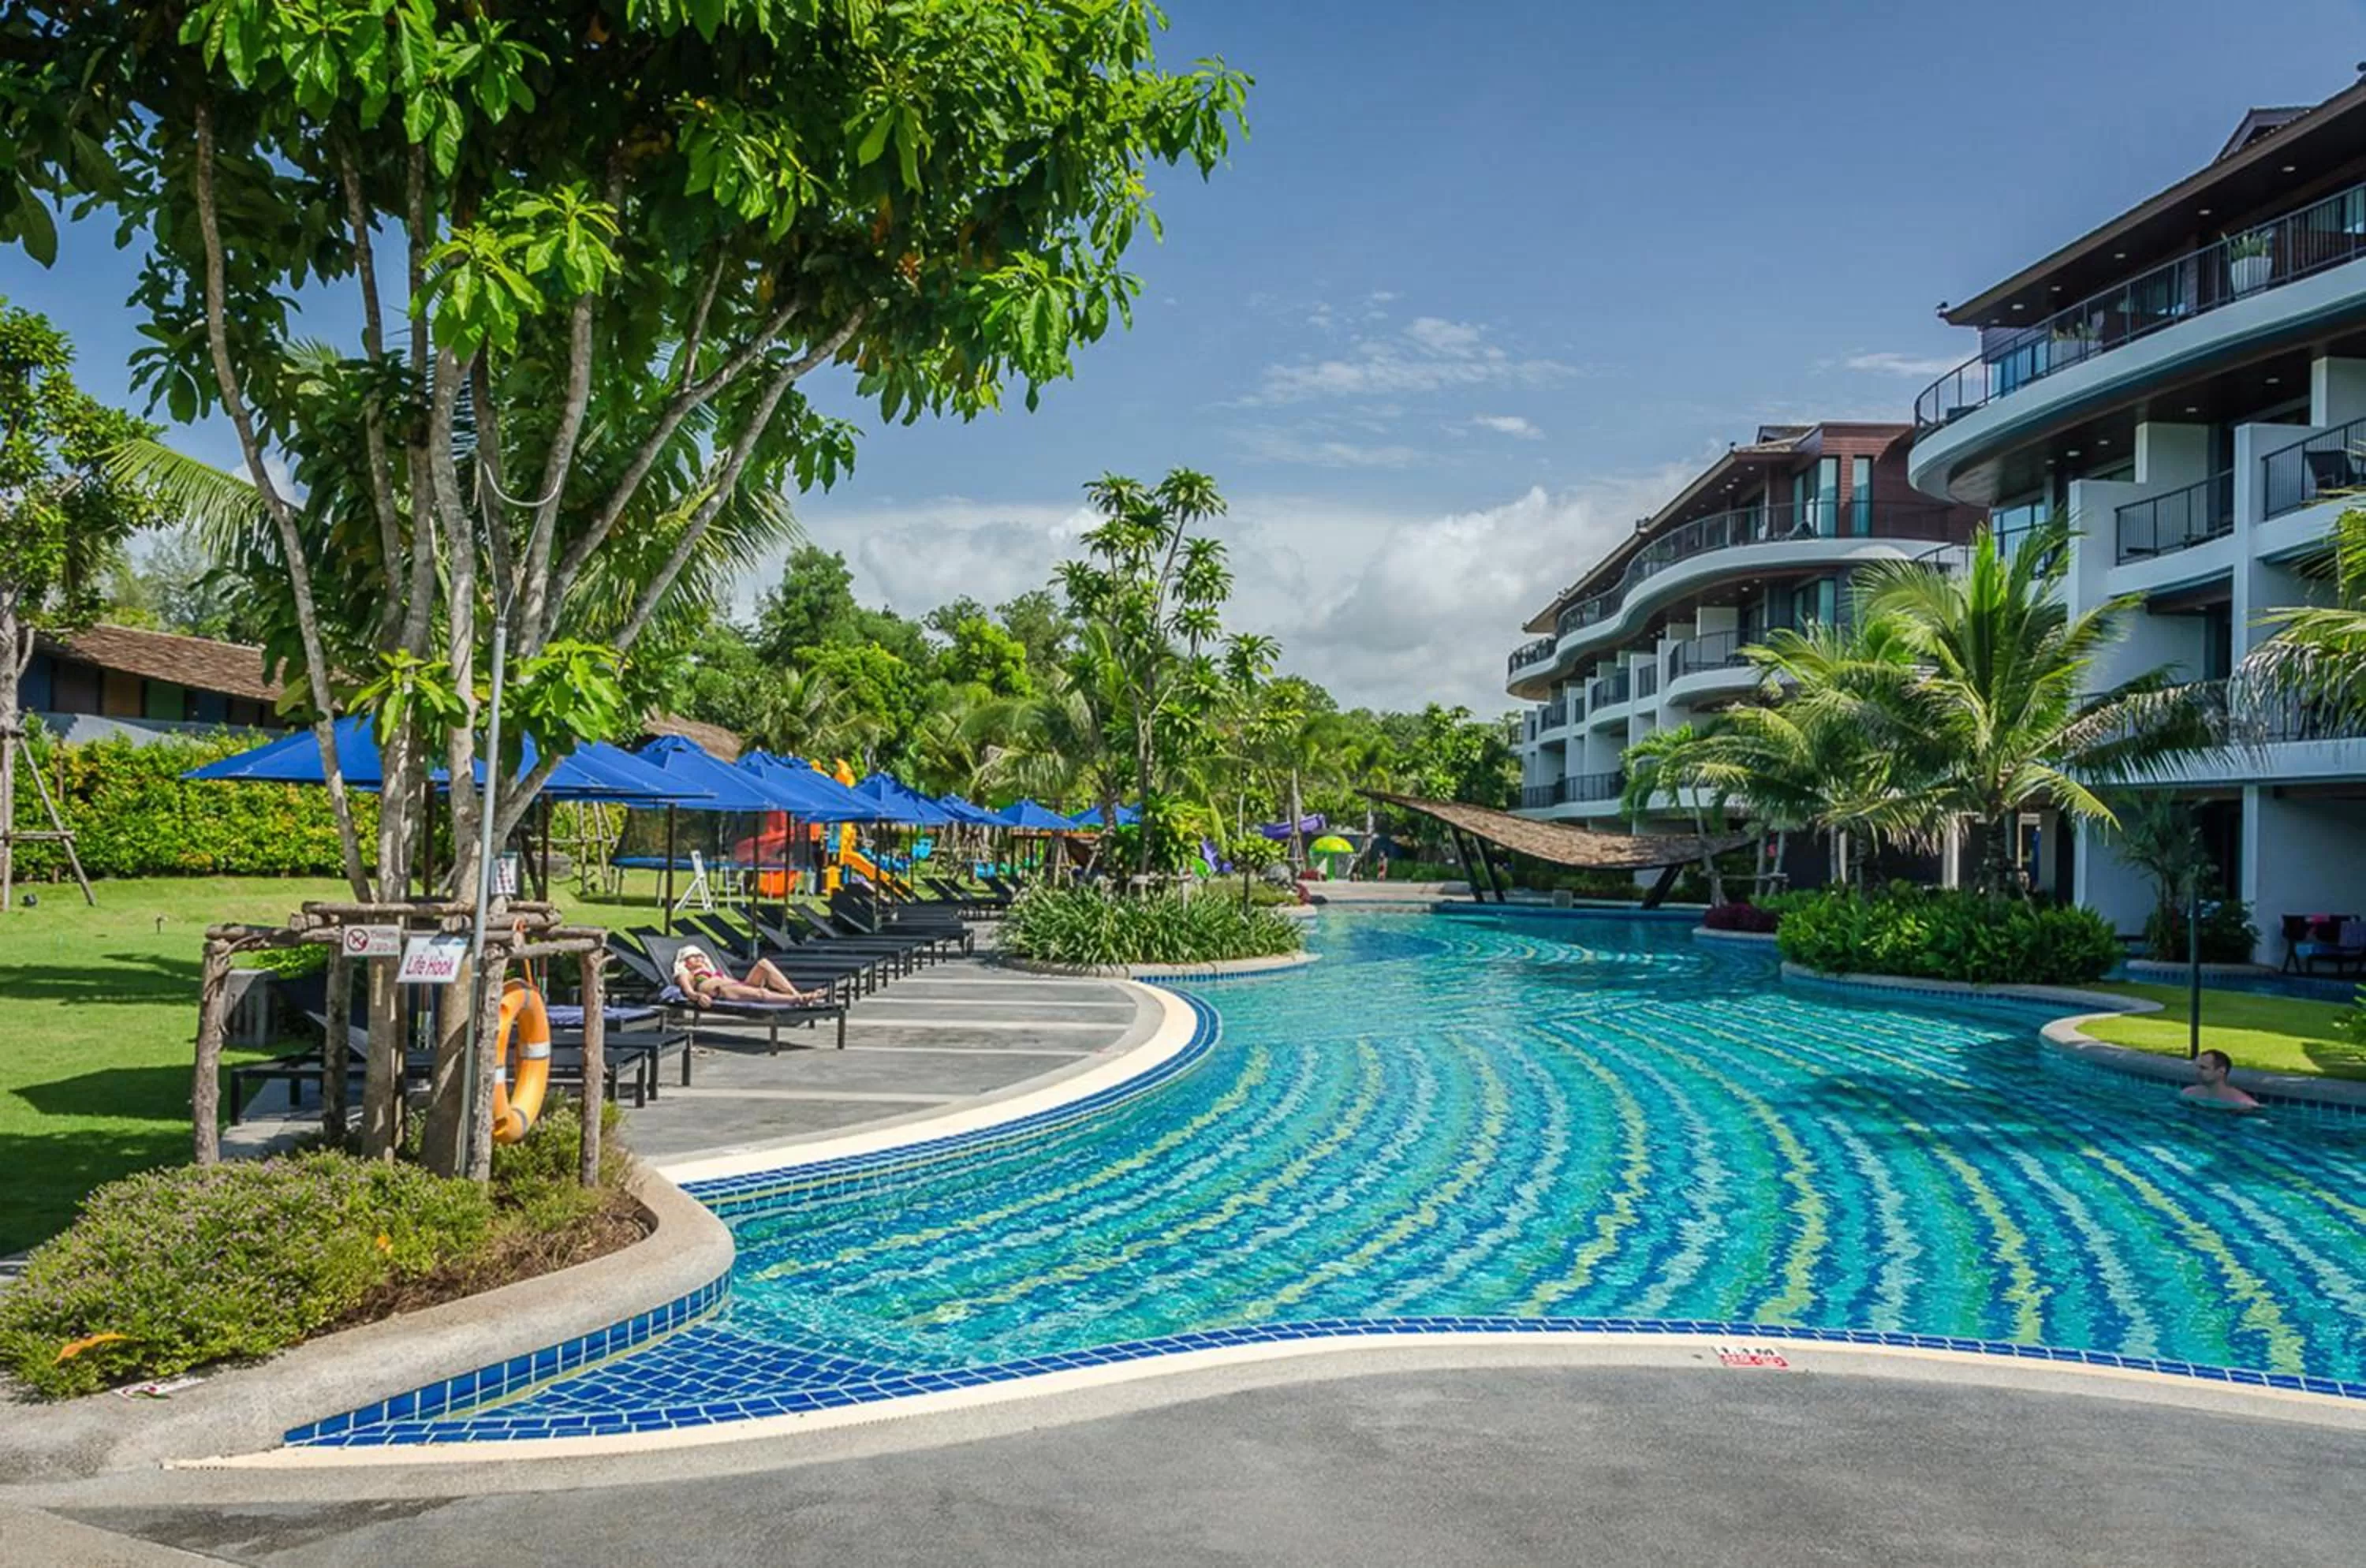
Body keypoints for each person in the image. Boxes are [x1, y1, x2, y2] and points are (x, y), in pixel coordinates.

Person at [671, 943, 825, 1006]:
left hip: (736, 985)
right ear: (685, 961)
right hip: (722, 991)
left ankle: (795, 993)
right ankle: (797, 999)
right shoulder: (687, 974)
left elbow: (729, 979)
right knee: (761, 992)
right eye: (693, 956)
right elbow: (689, 992)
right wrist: (699, 997)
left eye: (700, 956)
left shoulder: (710, 970)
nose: (699, 958)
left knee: (763, 963)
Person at [2181, 1048, 2260, 1112]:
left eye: (2203, 1068)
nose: (2197, 1071)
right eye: (2197, 1067)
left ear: (2221, 1071)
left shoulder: (2243, 1103)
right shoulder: (2188, 1093)